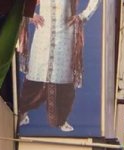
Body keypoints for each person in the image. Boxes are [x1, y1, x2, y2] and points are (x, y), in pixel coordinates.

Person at [16, 0, 102, 132]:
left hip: (64, 38)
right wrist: (30, 14)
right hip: (43, 36)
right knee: (35, 77)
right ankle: (23, 113)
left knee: (63, 81)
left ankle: (61, 120)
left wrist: (83, 16)